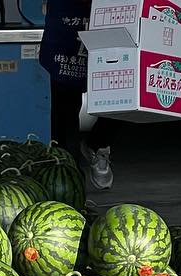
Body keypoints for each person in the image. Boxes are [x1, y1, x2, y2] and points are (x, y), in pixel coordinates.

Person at [39, 0, 115, 191]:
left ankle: (98, 143)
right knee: (66, 102)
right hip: (69, 15)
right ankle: (68, 173)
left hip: (115, 11)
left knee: (122, 94)